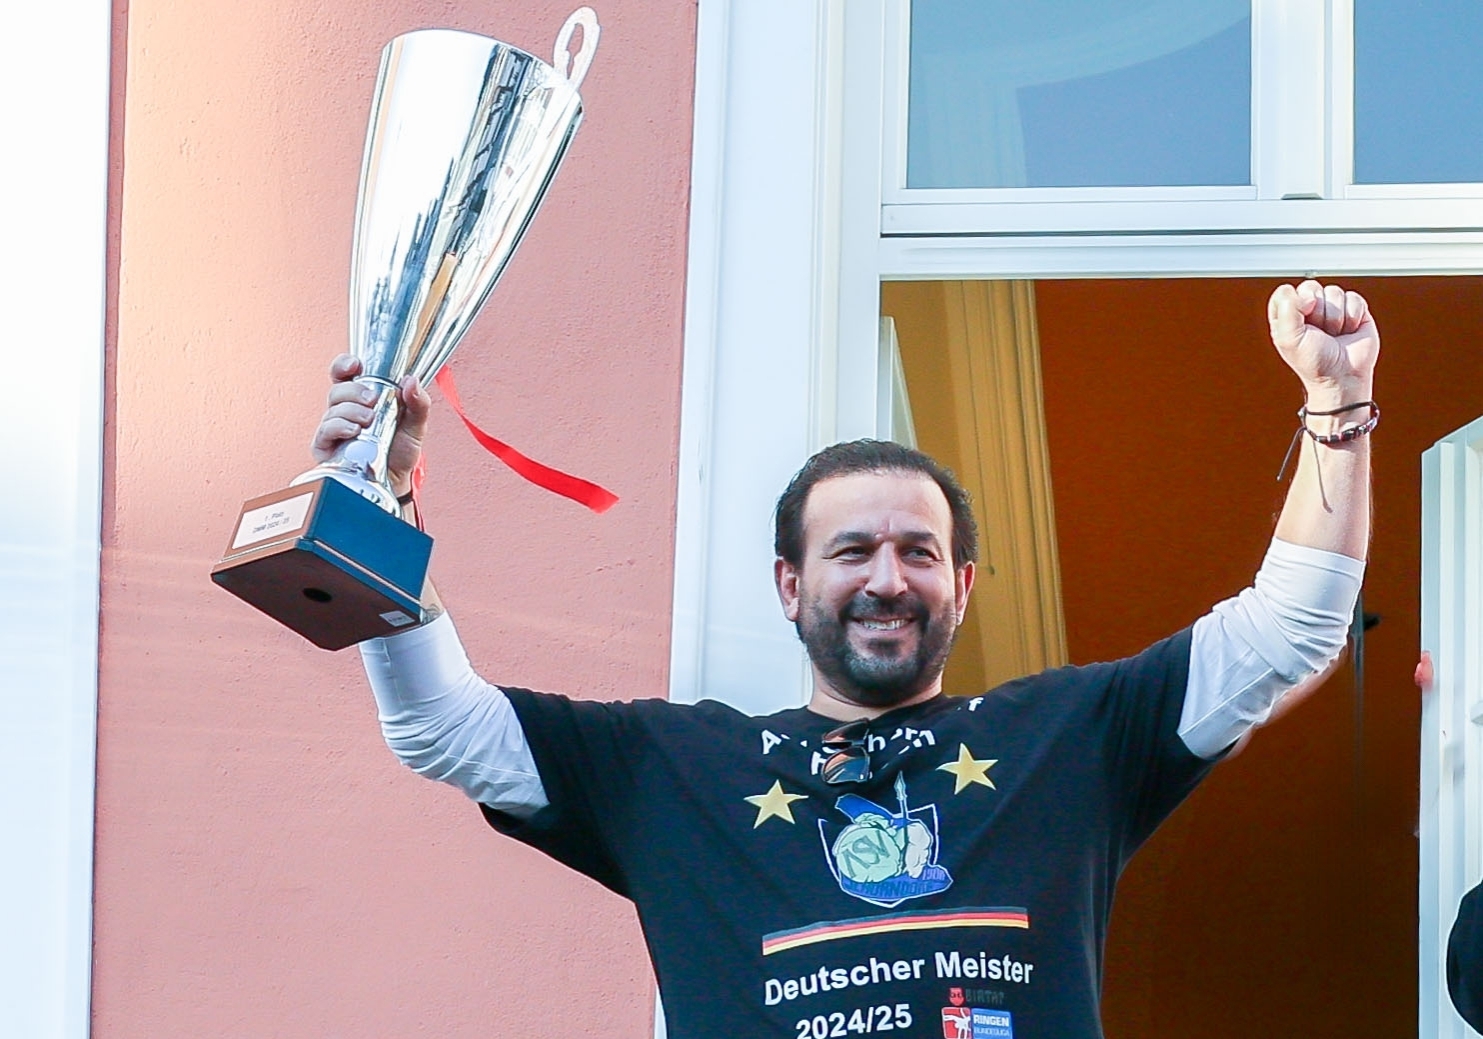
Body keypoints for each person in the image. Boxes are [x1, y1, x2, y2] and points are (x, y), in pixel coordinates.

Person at [314, 281, 1377, 1037]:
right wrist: (382, 503)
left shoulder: (1069, 739)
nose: (886, 578)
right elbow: (439, 725)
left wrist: (1337, 407)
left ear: (962, 585)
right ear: (790, 585)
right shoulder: (671, 769)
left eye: (919, 551)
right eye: (851, 550)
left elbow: (1291, 626)